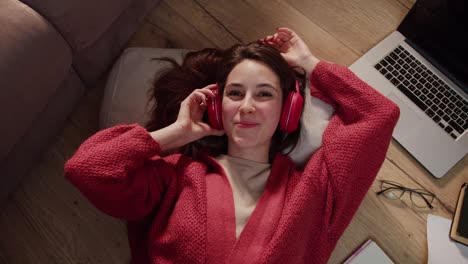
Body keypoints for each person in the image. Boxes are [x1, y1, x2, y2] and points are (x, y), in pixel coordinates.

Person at [65, 27, 400, 263]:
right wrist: (178, 132)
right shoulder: (176, 176)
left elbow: (378, 115)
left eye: (265, 94)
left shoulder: (315, 191)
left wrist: (309, 65)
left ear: (289, 109)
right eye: (235, 93)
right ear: (216, 106)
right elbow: (87, 170)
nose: (247, 106)